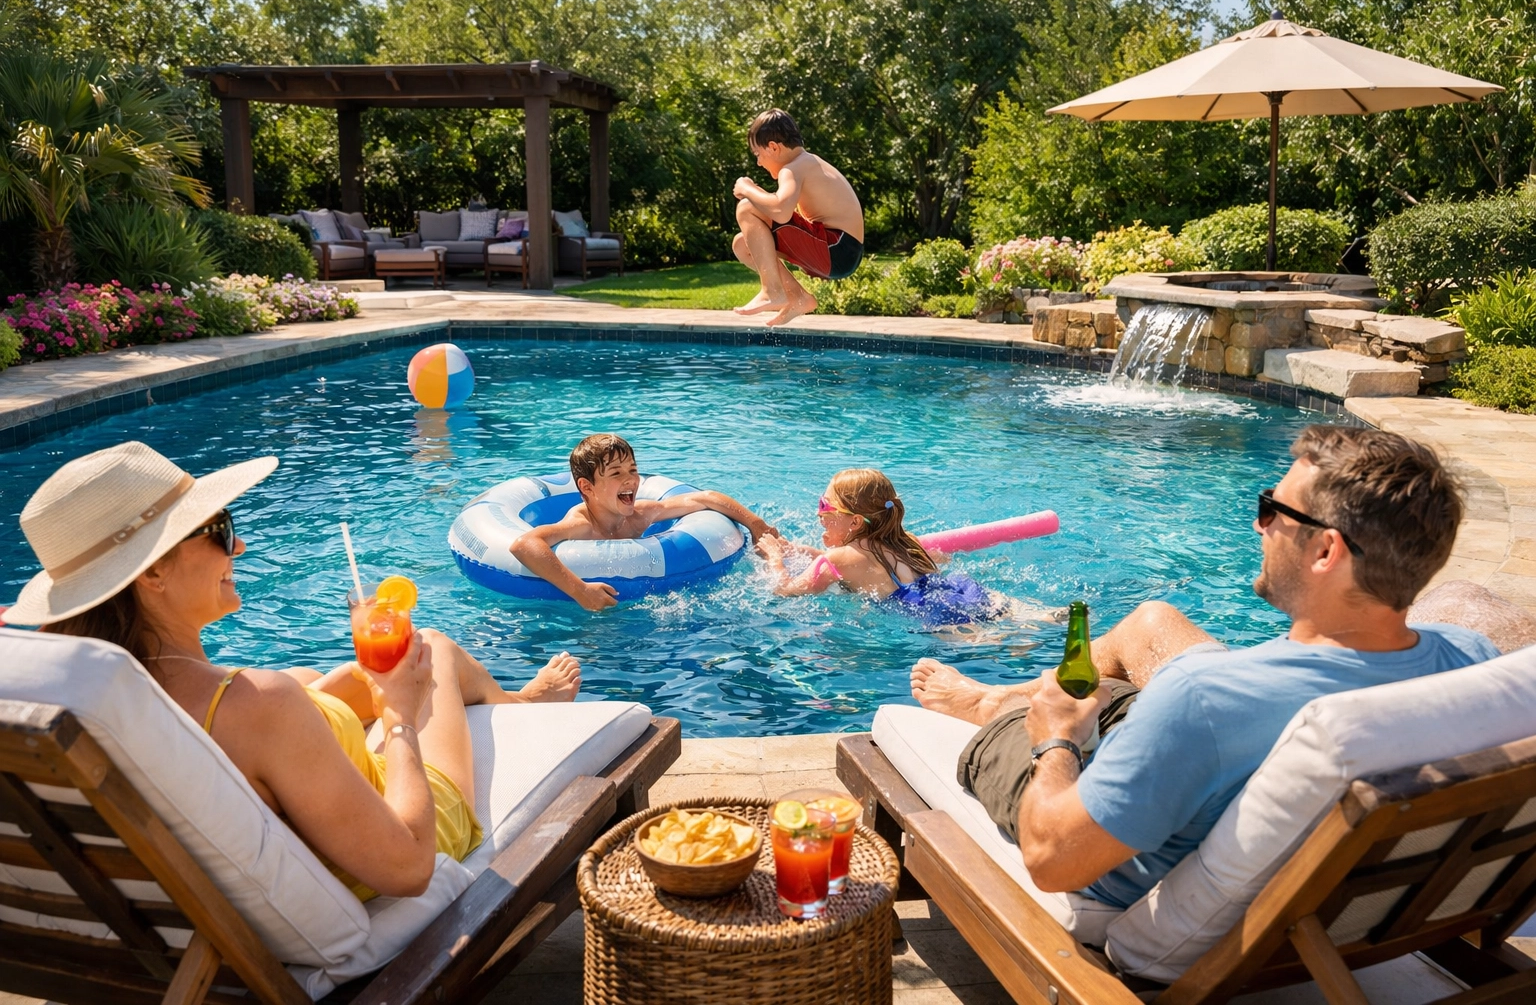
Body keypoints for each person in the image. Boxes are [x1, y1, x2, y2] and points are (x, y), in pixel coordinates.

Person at [910, 425, 1502, 908]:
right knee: (1151, 623)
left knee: (1037, 715)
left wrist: (1057, 740)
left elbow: (1052, 858)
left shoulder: (1207, 699)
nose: (1259, 524)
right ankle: (1029, 696)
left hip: (1109, 852)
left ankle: (995, 706)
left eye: (1273, 511)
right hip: (1231, 748)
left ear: (1326, 551)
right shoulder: (1471, 662)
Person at [7, 441, 582, 902]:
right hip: (385, 834)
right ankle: (520, 706)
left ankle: (499, 698)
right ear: (153, 572)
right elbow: (408, 868)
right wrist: (398, 717)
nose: (242, 546)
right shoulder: (257, 706)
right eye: (221, 529)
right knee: (430, 649)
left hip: (246, 814)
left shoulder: (83, 689)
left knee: (312, 680)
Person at [509, 433, 778, 611]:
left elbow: (705, 499)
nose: (630, 480)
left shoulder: (639, 515)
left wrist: (756, 525)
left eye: (633, 470)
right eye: (616, 473)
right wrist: (580, 590)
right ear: (587, 487)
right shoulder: (581, 526)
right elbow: (524, 544)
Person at [757, 468, 1004, 627]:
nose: (818, 513)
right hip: (957, 591)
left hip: (928, 615)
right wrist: (801, 551)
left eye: (824, 506)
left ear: (854, 521)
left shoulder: (837, 559)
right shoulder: (906, 539)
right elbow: (857, 562)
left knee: (977, 640)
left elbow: (784, 590)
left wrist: (774, 558)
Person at [731, 109, 865, 328]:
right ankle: (798, 297)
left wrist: (747, 189)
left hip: (836, 248)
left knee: (746, 207)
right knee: (743, 244)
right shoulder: (808, 163)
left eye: (758, 154)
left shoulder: (793, 169)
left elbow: (781, 211)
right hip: (841, 253)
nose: (759, 163)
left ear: (773, 147)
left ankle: (772, 291)